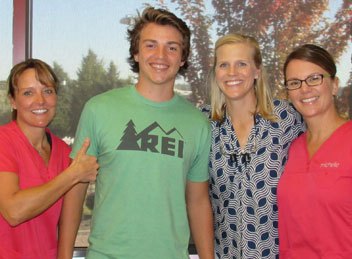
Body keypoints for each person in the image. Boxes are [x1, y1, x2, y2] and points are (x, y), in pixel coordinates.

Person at [69, 7, 214, 259]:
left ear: (182, 58)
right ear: (136, 52)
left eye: (172, 47)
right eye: (150, 45)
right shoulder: (98, 109)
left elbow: (198, 201)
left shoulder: (197, 123)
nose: (161, 55)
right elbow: (76, 189)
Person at [202, 33, 304, 258]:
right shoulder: (203, 124)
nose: (232, 73)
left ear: (257, 70)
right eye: (224, 65)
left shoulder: (287, 118)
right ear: (215, 72)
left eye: (241, 64)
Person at [0, 59, 99, 259]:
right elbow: (14, 211)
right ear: (13, 100)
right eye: (28, 92)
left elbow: (69, 220)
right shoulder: (4, 142)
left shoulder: (63, 152)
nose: (40, 101)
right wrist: (73, 174)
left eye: (47, 91)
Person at [278, 44, 351, 258]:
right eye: (294, 83)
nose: (304, 89)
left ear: (334, 85)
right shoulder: (292, 148)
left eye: (314, 78)